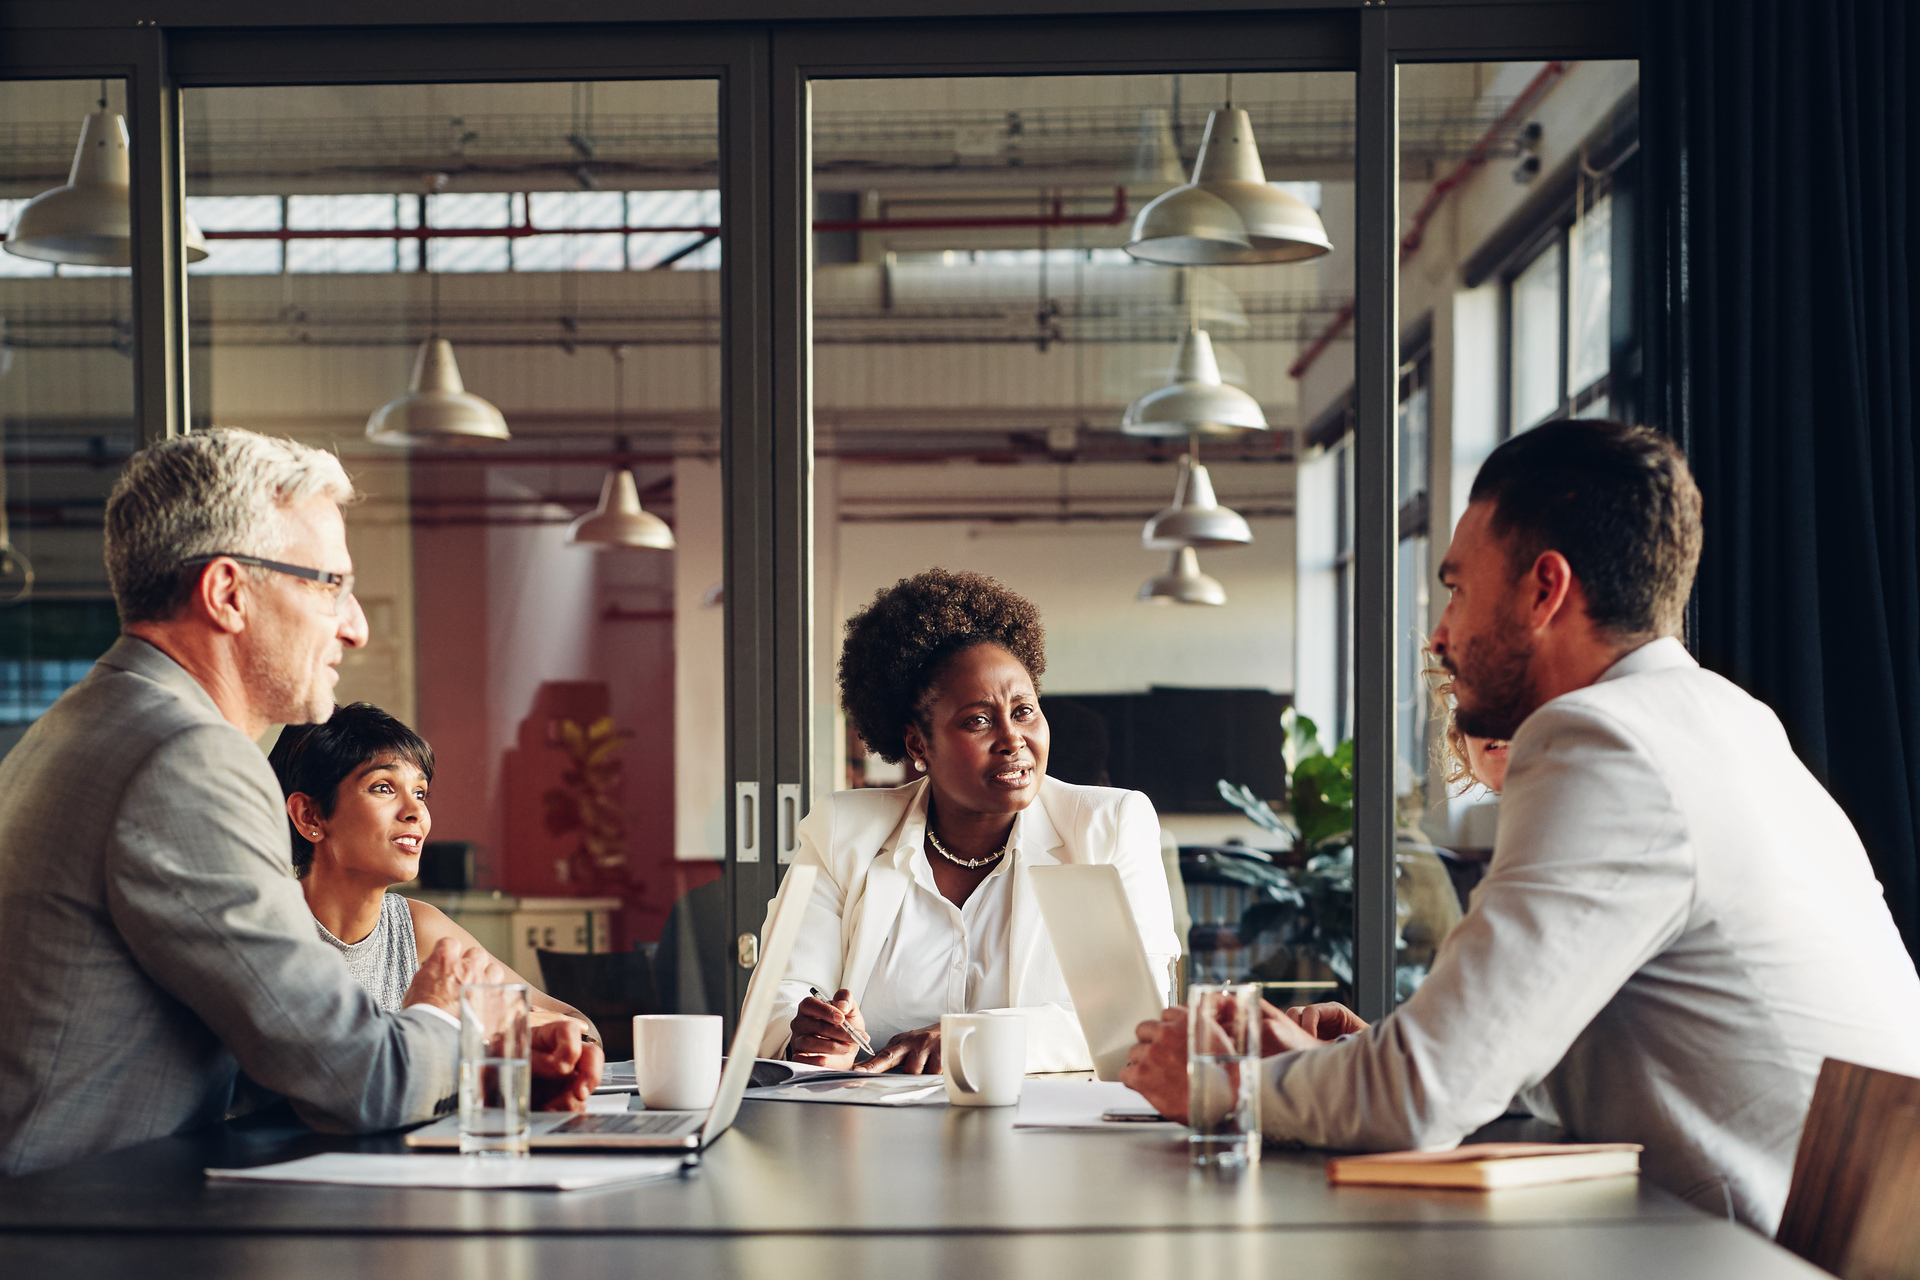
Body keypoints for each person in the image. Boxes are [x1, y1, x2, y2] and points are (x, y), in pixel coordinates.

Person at [1122, 419, 1920, 1233]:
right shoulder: (1725, 722)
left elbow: (1423, 1096)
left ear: (1545, 590)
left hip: (1743, 1257)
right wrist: (1341, 1062)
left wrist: (1223, 1088)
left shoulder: (1607, 741)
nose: (1441, 631)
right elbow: (1503, 1064)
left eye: (1458, 588)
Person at [0, 429, 600, 1177]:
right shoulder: (187, 757)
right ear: (227, 594)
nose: (355, 623)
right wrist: (449, 1017)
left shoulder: (85, 724)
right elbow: (360, 1080)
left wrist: (480, 1048)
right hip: (88, 1228)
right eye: (327, 584)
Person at [760, 568, 1180, 1074]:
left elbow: (1137, 1022)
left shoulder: (1107, 826)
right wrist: (811, 1035)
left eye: (1024, 711)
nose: (1012, 738)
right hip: (871, 1132)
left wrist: (969, 1038)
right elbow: (778, 997)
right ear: (918, 744)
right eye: (978, 720)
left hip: (1045, 1137)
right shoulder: (843, 832)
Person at [269, 702, 598, 1041]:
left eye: (420, 792)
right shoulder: (265, 932)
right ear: (310, 816)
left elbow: (578, 1024)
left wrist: (552, 1037)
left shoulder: (417, 929)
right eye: (383, 787)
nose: (416, 812)